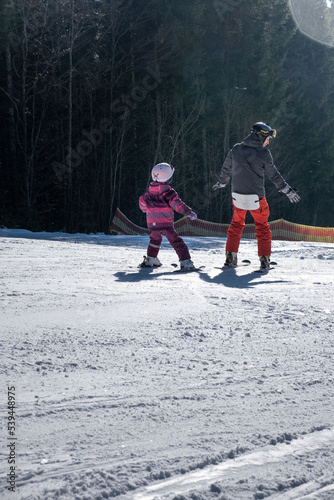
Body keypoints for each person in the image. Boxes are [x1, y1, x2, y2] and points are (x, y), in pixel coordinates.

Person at [213, 122, 300, 268]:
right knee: (262, 227)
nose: (268, 142)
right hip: (256, 199)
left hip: (237, 197)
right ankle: (264, 260)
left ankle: (230, 258)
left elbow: (226, 168)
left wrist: (222, 183)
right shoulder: (263, 153)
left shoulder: (235, 149)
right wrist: (287, 190)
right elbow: (274, 175)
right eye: (268, 139)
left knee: (235, 225)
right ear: (261, 137)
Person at [139, 163, 197, 270]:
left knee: (154, 240)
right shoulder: (168, 192)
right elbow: (178, 205)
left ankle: (151, 259)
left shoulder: (148, 192)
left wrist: (144, 209)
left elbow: (142, 202)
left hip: (152, 222)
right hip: (165, 222)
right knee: (175, 241)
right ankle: (186, 261)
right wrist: (189, 213)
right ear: (167, 178)